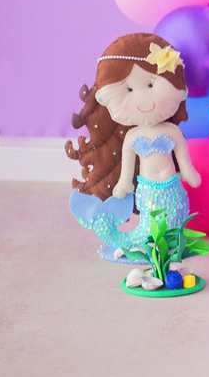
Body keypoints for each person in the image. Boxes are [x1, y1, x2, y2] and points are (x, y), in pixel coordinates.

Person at [66, 33, 201, 258]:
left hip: (173, 188)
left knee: (175, 215)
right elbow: (127, 168)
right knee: (151, 222)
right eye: (128, 89)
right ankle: (145, 242)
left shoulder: (172, 132)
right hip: (147, 191)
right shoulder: (132, 137)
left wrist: (188, 172)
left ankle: (173, 241)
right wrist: (124, 183)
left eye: (150, 84)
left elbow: (183, 160)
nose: (143, 97)